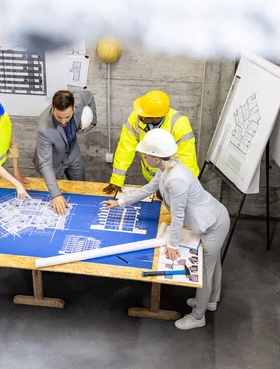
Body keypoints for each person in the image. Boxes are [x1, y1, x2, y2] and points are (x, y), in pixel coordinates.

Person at [101, 129, 229, 330]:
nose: (143, 157)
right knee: (212, 266)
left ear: (156, 157)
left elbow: (178, 215)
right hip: (213, 218)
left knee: (204, 273)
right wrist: (120, 202)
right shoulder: (167, 168)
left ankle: (198, 317)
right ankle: (211, 302)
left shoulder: (175, 180)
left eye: (145, 154)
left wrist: (173, 244)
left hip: (213, 225)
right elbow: (148, 189)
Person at [103, 90, 199, 196]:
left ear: (157, 117)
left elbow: (187, 159)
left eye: (145, 116)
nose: (139, 116)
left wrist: (184, 187)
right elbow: (125, 149)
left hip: (174, 179)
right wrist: (116, 180)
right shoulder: (136, 117)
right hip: (151, 177)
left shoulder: (179, 123)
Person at [33, 89, 97, 215]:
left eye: (67, 117)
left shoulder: (79, 98)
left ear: (74, 107)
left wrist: (93, 121)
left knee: (81, 188)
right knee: (58, 191)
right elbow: (45, 163)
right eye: (59, 117)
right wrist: (56, 195)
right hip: (53, 159)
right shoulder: (43, 128)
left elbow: (90, 95)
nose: (63, 121)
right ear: (52, 106)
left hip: (72, 152)